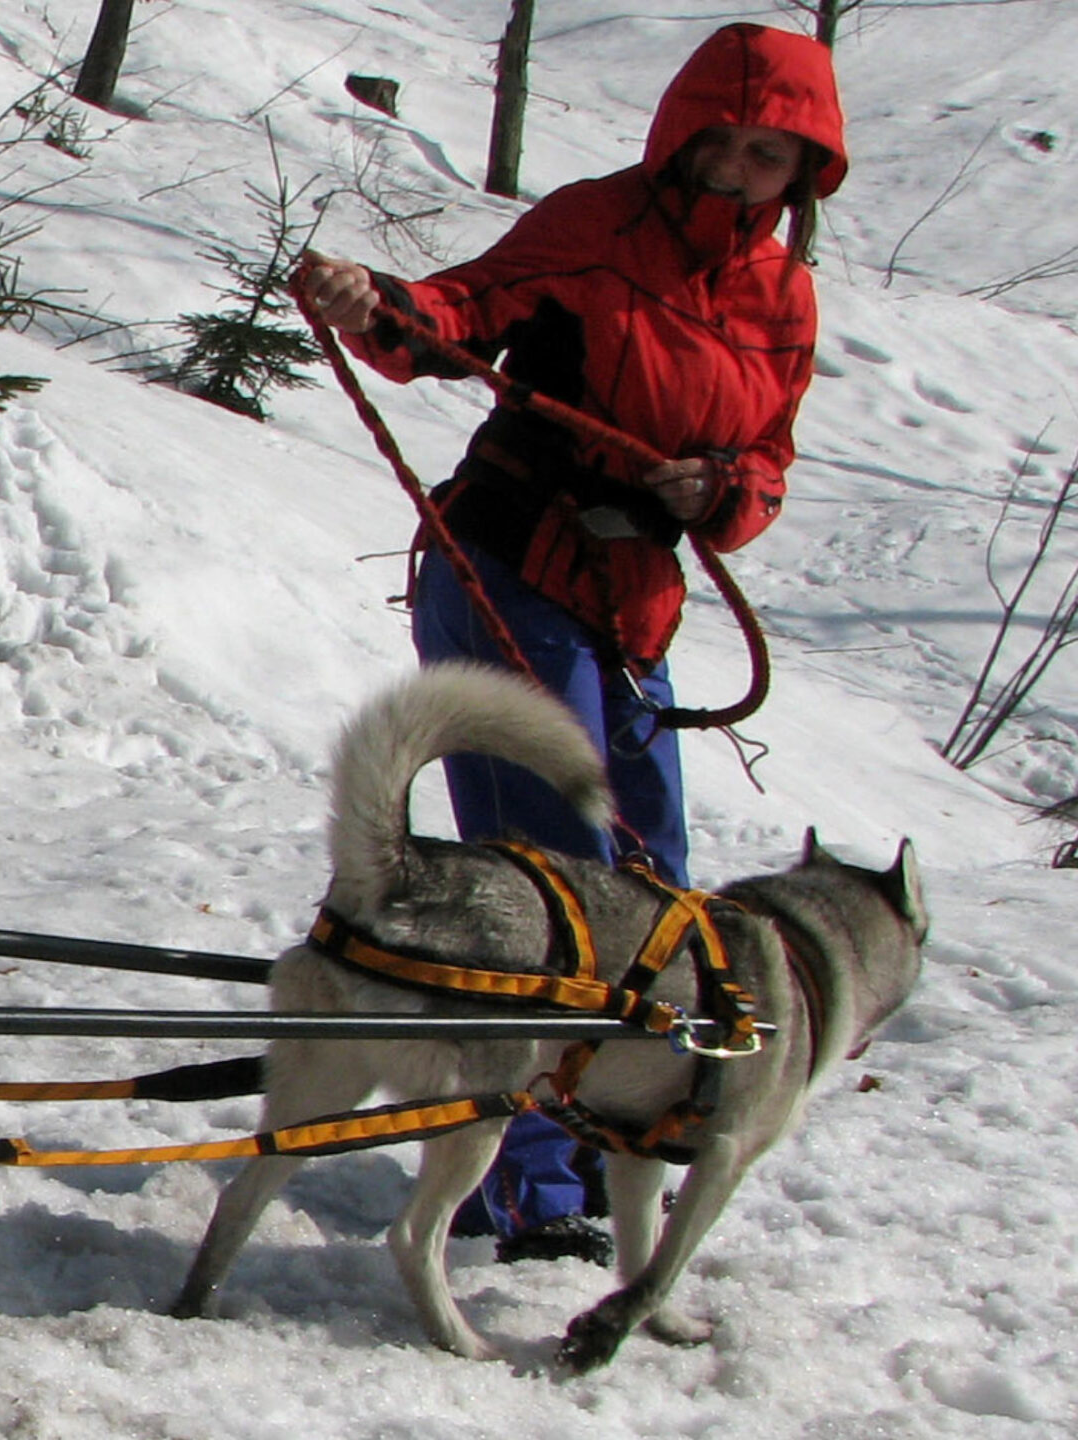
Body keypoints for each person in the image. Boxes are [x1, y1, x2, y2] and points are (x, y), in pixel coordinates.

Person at [297, 23, 847, 1265]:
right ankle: (530, 1188)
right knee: (550, 885)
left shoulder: (782, 296)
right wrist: (376, 306)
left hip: (634, 601)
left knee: (654, 893)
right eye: (724, 141)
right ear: (683, 132)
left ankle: (614, 1139)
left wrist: (723, 490)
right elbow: (459, 312)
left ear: (802, 172)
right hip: (509, 567)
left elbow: (769, 460)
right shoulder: (595, 224)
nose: (739, 169)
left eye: (769, 155)